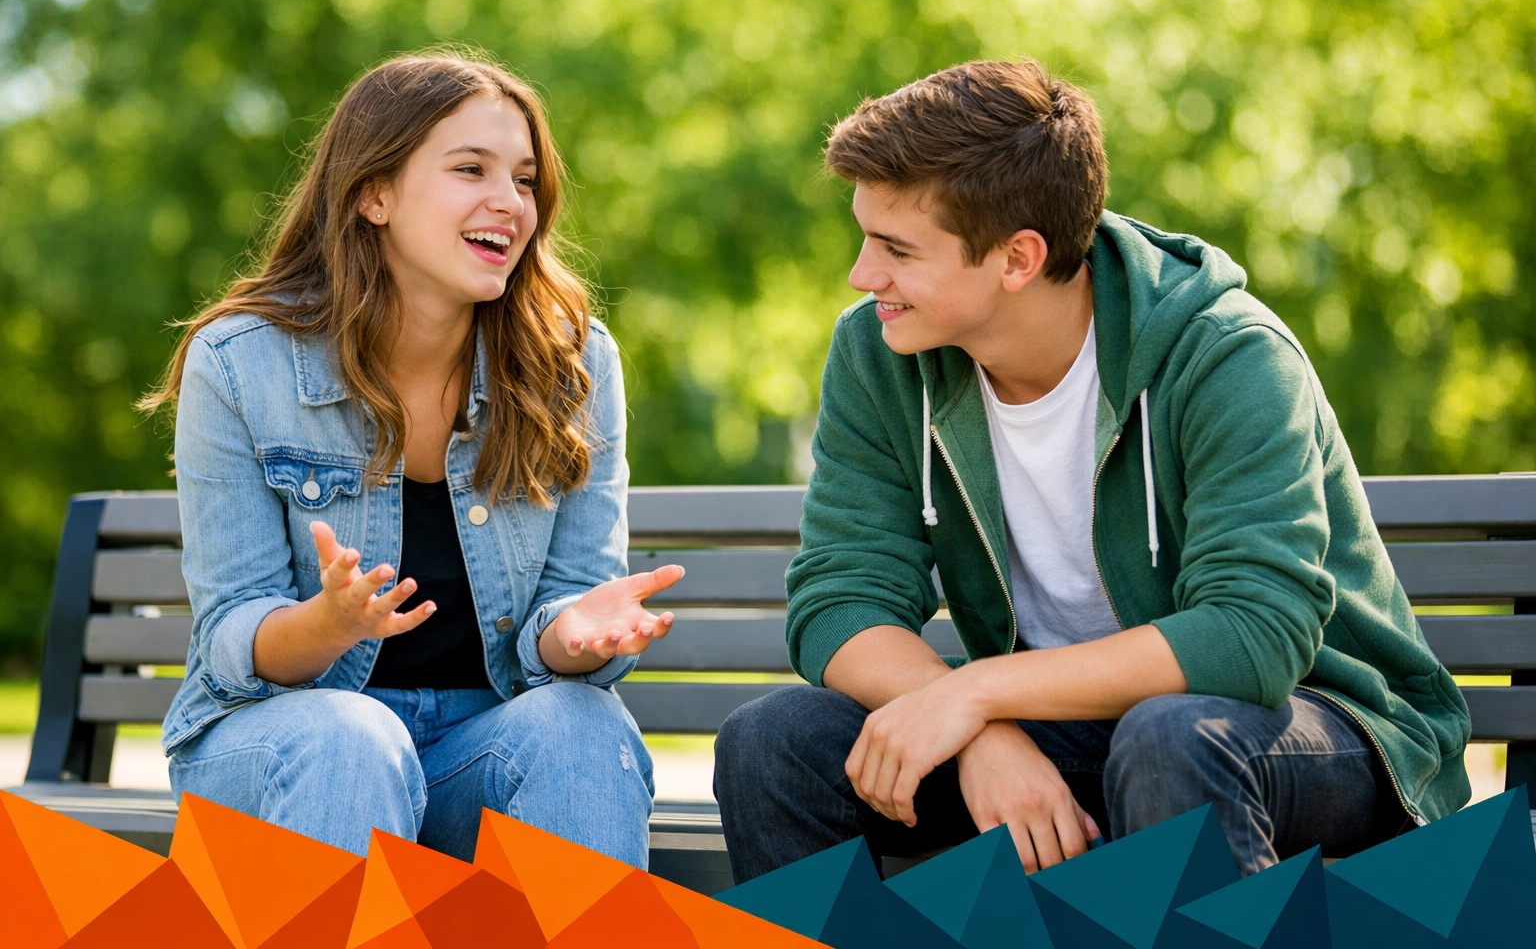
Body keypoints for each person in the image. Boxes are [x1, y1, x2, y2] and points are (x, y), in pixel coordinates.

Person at [714, 59, 1470, 881]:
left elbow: (1254, 638)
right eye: (865, 238)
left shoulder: (1227, 355)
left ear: (1017, 258)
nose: (864, 276)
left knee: (1171, 739)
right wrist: (981, 731)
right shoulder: (880, 353)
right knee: (773, 744)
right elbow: (839, 598)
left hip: (1318, 733)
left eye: (897, 249)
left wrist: (975, 694)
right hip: (1070, 733)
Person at [141, 52, 681, 865]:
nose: (510, 202)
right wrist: (326, 626)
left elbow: (566, 611)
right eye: (471, 169)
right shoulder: (238, 363)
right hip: (293, 742)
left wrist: (572, 636)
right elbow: (231, 634)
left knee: (580, 725)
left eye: (526, 180)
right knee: (351, 740)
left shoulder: (574, 362)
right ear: (375, 193)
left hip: (479, 744)